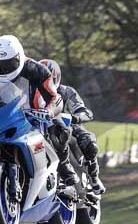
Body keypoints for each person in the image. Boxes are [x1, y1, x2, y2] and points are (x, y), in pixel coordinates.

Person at [0, 35, 79, 185]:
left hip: (36, 114)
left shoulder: (36, 70)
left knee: (60, 129)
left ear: (19, 57)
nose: (3, 69)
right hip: (7, 119)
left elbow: (53, 97)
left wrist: (48, 111)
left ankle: (63, 164)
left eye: (9, 63)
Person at [39, 59, 106, 195]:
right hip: (38, 126)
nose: (45, 83)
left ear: (56, 77)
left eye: (48, 79)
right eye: (41, 79)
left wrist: (75, 117)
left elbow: (85, 112)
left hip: (68, 125)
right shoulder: (30, 92)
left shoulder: (66, 91)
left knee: (89, 143)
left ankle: (93, 177)